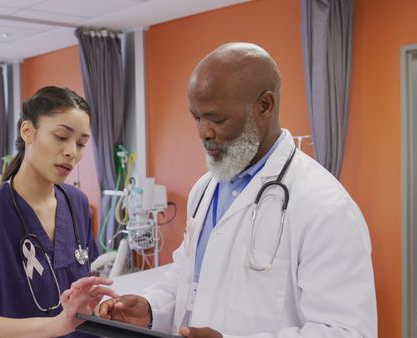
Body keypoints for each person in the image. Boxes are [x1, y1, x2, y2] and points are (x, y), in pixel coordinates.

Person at [97, 43, 377, 337]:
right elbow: (189, 276)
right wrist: (152, 308)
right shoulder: (205, 190)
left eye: (217, 119)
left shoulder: (324, 205)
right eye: (196, 117)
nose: (203, 132)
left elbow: (347, 331)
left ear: (264, 106)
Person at [0, 86, 115, 337]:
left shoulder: (77, 204)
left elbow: (78, 297)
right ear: (27, 131)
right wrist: (56, 325)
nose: (72, 152)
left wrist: (102, 310)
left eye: (81, 143)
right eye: (61, 136)